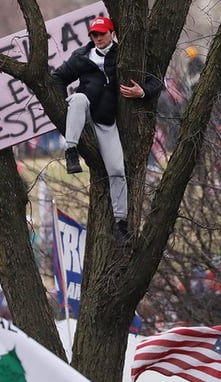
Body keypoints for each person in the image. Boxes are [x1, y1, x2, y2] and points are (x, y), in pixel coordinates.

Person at [51, 15, 162, 242]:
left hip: (106, 120)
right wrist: (64, 107)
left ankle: (120, 223)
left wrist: (143, 93)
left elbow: (156, 79)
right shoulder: (81, 56)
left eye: (102, 33)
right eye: (94, 34)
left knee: (117, 171)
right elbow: (58, 78)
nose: (98, 38)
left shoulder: (124, 55)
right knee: (78, 99)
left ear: (112, 33)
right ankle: (71, 151)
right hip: (84, 110)